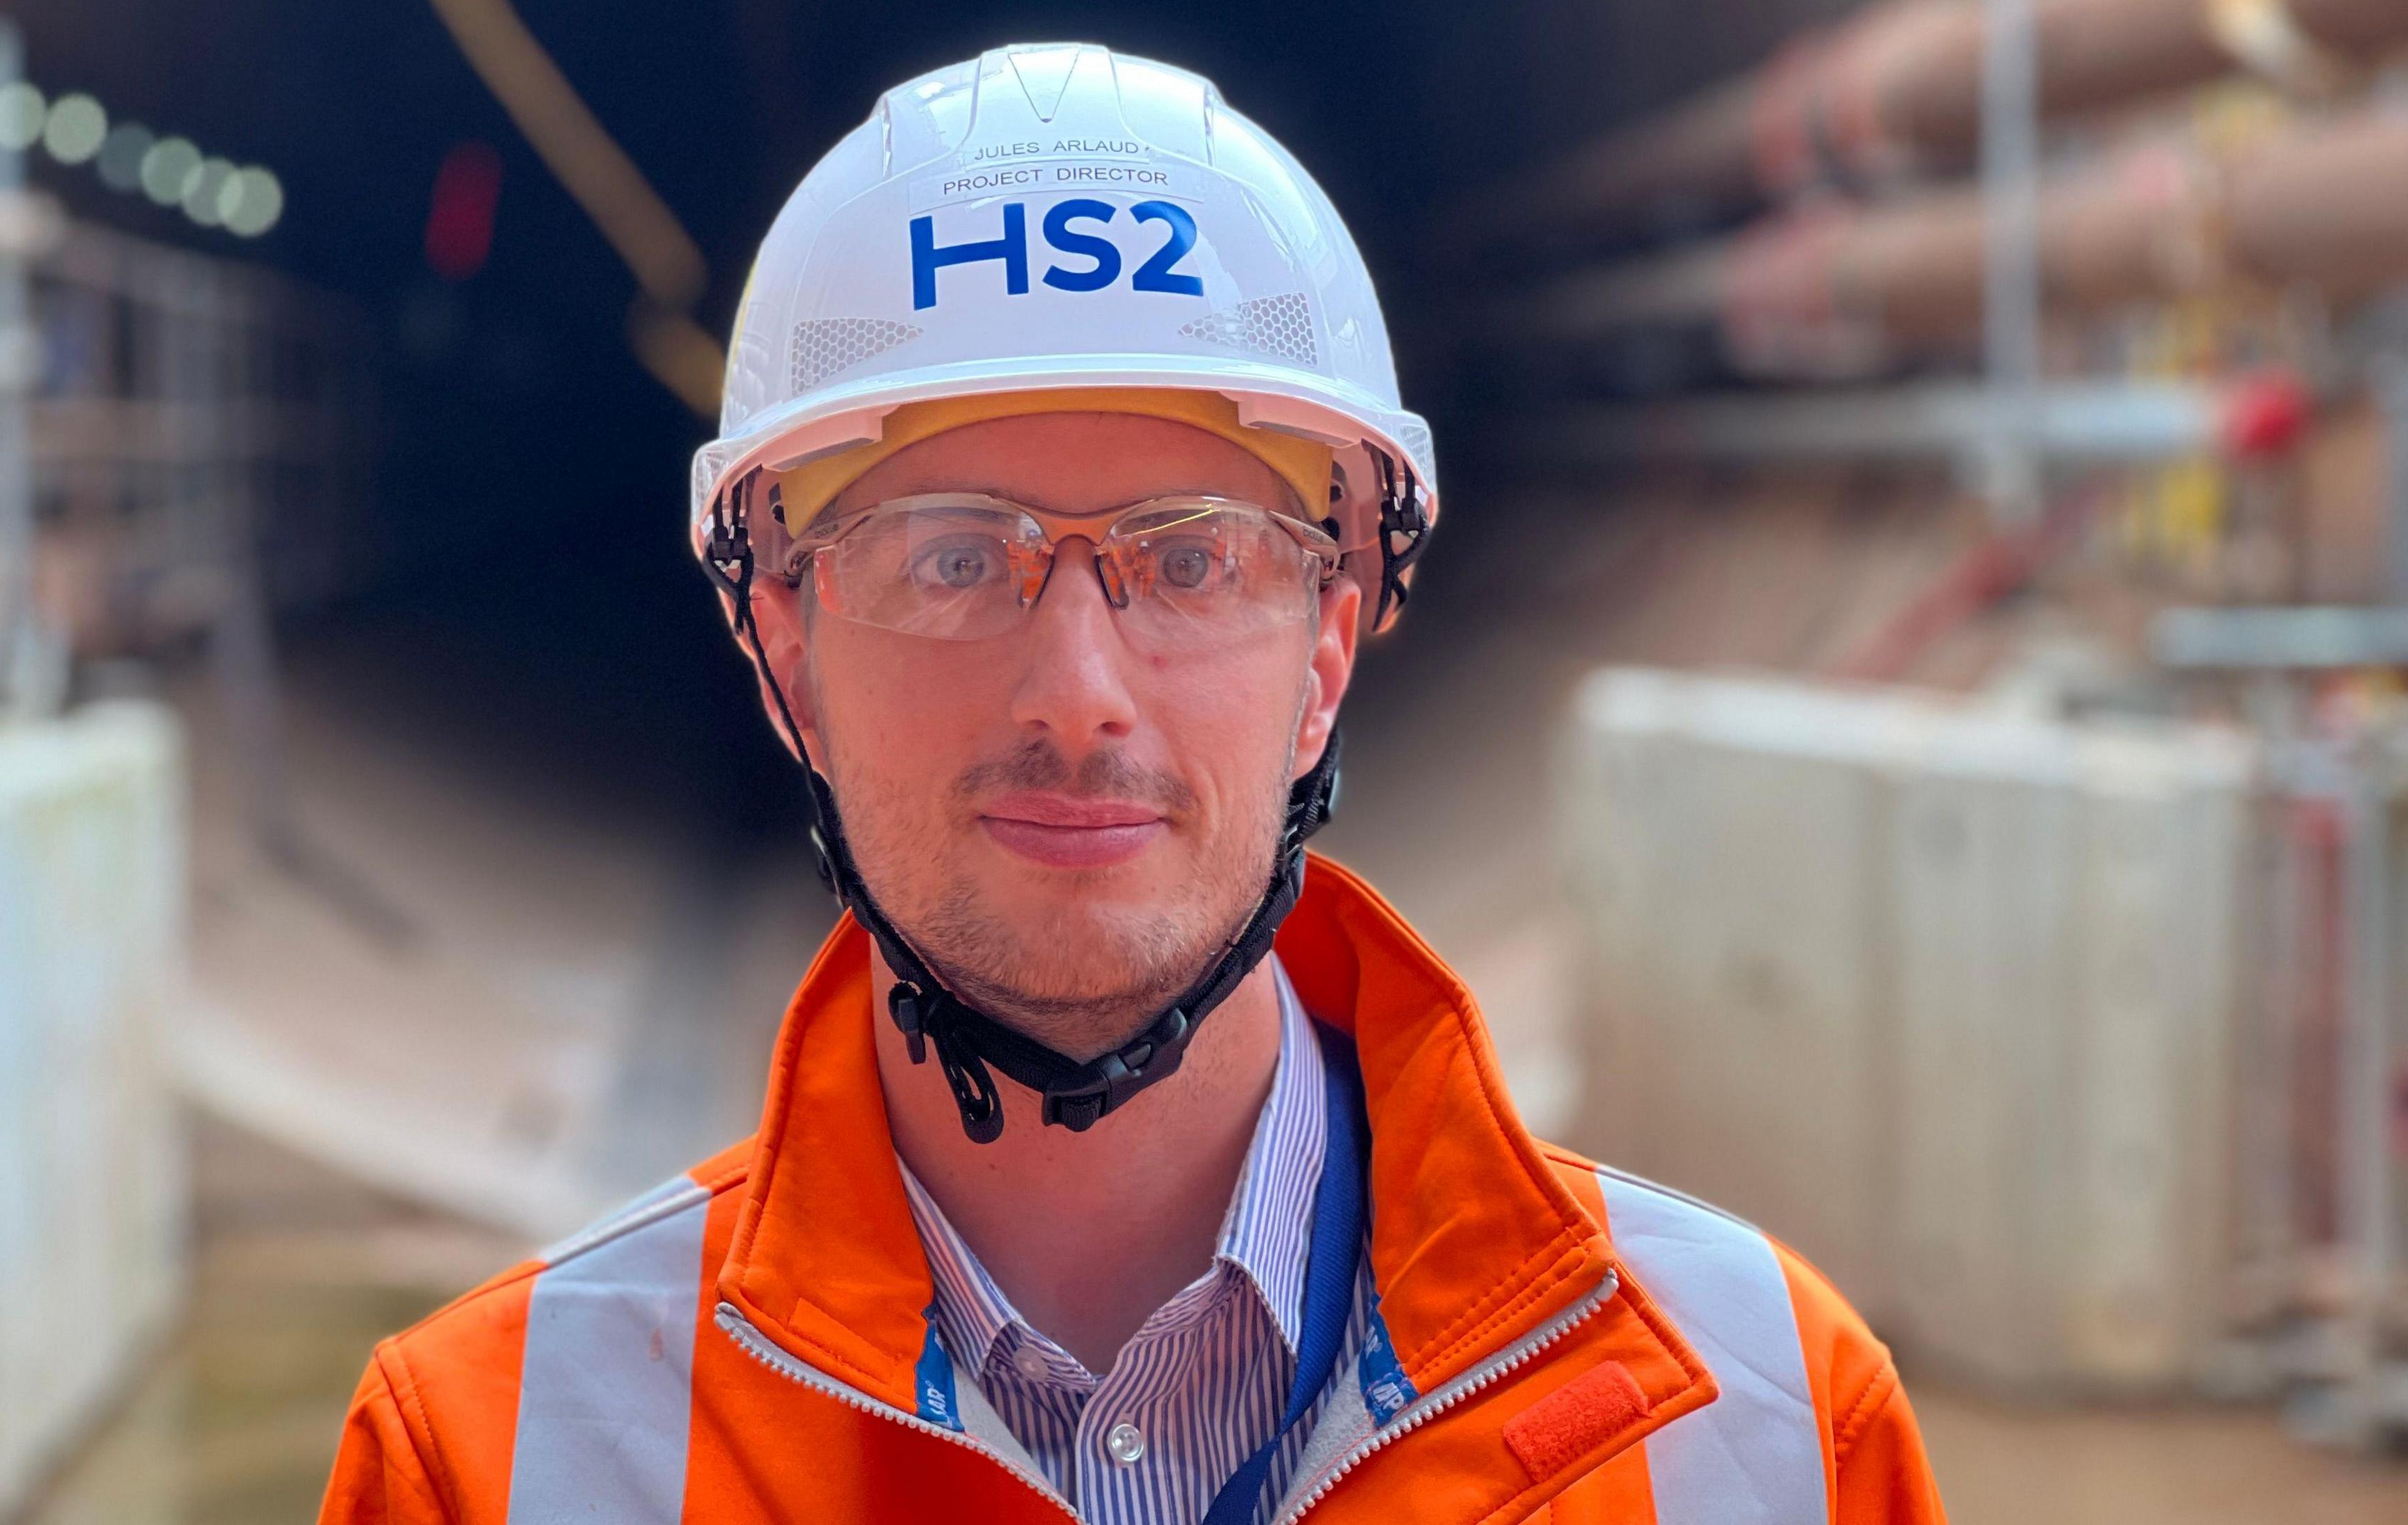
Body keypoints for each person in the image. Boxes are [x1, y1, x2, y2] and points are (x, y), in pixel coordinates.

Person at [318, 42, 1944, 1525]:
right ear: (784, 646)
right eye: (952, 559)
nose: (1080, 698)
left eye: (1191, 561)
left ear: (1327, 646)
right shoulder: (495, 1459)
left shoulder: (1761, 1429)